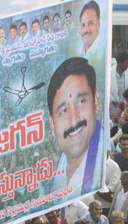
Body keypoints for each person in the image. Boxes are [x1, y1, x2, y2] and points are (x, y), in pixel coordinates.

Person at [45, 57, 104, 196]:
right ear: (52, 124)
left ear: (95, 100)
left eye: (81, 102)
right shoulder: (61, 162)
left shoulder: (103, 166)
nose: (74, 120)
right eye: (63, 111)